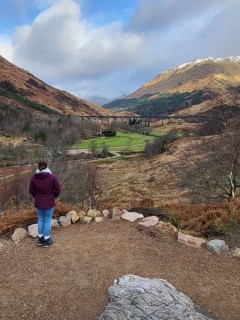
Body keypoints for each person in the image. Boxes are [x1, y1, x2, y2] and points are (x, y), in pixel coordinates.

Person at [29, 161, 61, 247]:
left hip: (38, 202)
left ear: (38, 167)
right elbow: (58, 189)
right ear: (47, 167)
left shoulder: (34, 178)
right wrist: (53, 196)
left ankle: (40, 240)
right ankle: (46, 240)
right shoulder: (52, 177)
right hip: (49, 202)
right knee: (47, 220)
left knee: (40, 219)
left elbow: (31, 191)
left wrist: (37, 197)